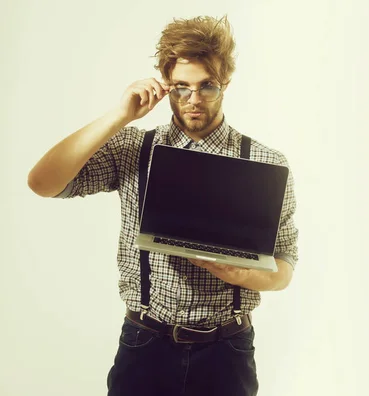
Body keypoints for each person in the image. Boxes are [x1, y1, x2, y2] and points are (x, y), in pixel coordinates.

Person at [27, 15, 298, 396]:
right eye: (181, 88)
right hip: (145, 343)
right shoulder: (134, 149)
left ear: (227, 83)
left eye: (208, 87)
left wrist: (240, 275)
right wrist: (120, 116)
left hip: (227, 350)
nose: (193, 100)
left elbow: (284, 266)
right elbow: (43, 183)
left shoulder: (265, 163)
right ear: (165, 84)